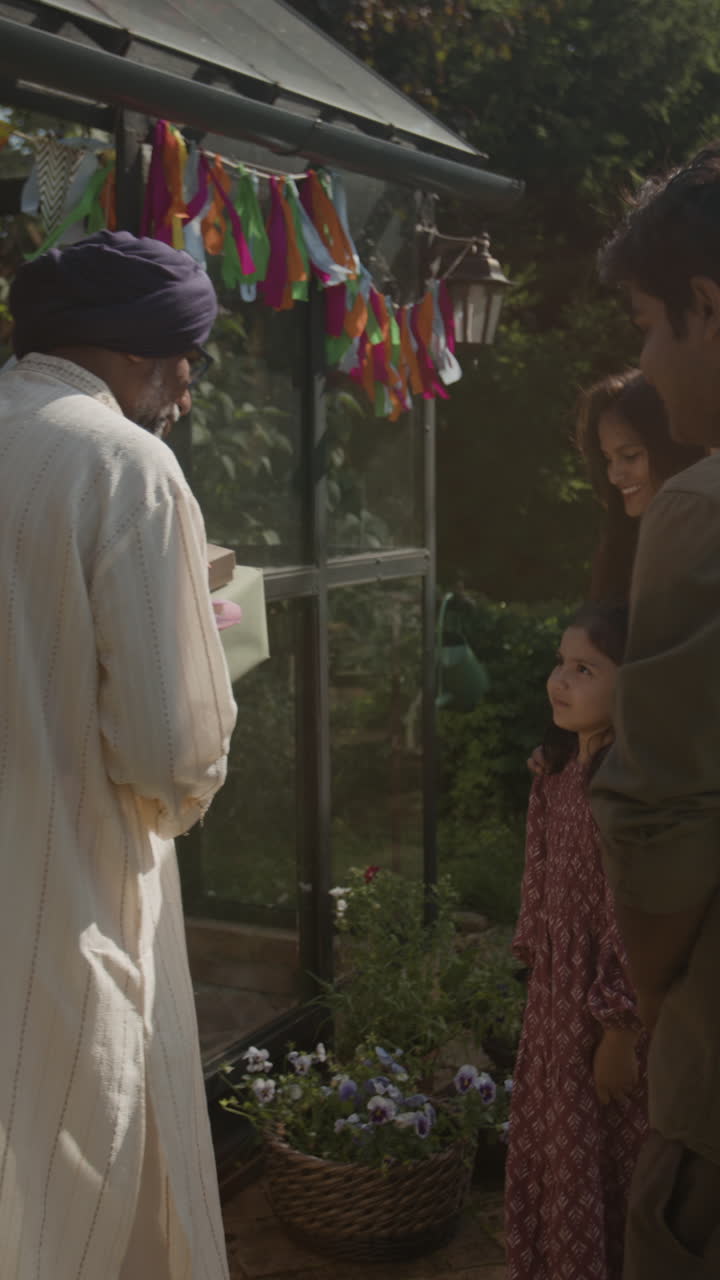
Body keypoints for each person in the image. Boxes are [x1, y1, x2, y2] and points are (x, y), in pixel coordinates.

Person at [0, 230, 238, 1280]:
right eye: (187, 350)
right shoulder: (125, 466)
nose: (189, 376)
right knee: (81, 1186)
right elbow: (171, 745)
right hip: (69, 892)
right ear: (141, 352)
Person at [590, 144, 720, 1277]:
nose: (641, 350)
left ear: (707, 306)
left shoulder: (701, 512)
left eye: (646, 317)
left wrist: (656, 996)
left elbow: (661, 829)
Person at [505, 602, 648, 1280]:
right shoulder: (557, 776)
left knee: (607, 1154)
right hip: (555, 1001)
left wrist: (619, 1027)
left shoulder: (629, 790)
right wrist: (538, 971)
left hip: (608, 1005)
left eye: (584, 669)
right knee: (553, 1147)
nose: (560, 680)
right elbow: (538, 887)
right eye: (561, 664)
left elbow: (636, 911)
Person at [576, 369, 702, 601]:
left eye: (630, 455)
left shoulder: (706, 545)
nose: (614, 476)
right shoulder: (623, 548)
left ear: (673, 450)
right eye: (608, 459)